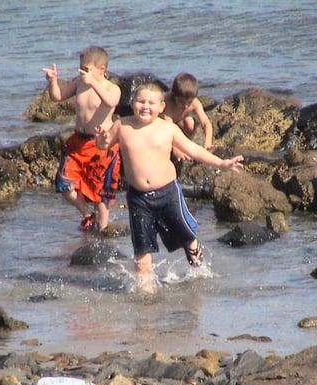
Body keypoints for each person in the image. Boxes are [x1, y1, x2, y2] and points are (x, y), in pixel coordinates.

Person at [96, 82, 243, 293]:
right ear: (131, 103)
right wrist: (101, 140)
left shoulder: (168, 128)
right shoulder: (122, 125)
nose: (145, 106)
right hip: (139, 199)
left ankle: (201, 273)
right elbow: (104, 144)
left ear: (161, 107)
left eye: (151, 103)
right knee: (142, 253)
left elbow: (193, 150)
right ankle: (146, 296)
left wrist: (221, 163)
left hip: (168, 194)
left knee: (187, 238)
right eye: (140, 101)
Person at [42, 46, 121, 232]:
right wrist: (53, 81)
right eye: (80, 67)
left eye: (86, 68)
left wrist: (94, 83)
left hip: (101, 144)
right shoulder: (79, 83)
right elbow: (58, 96)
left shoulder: (112, 88)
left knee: (100, 193)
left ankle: (103, 228)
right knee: (64, 183)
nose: (81, 71)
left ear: (101, 70)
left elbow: (111, 102)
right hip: (78, 142)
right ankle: (87, 214)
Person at [164, 73, 214, 166]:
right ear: (174, 96)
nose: (186, 106)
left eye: (189, 102)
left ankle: (185, 142)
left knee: (190, 124)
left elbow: (206, 123)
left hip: (179, 120)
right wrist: (176, 150)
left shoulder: (194, 102)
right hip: (163, 125)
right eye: (181, 102)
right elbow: (168, 132)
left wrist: (208, 141)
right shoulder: (167, 104)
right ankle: (179, 146)